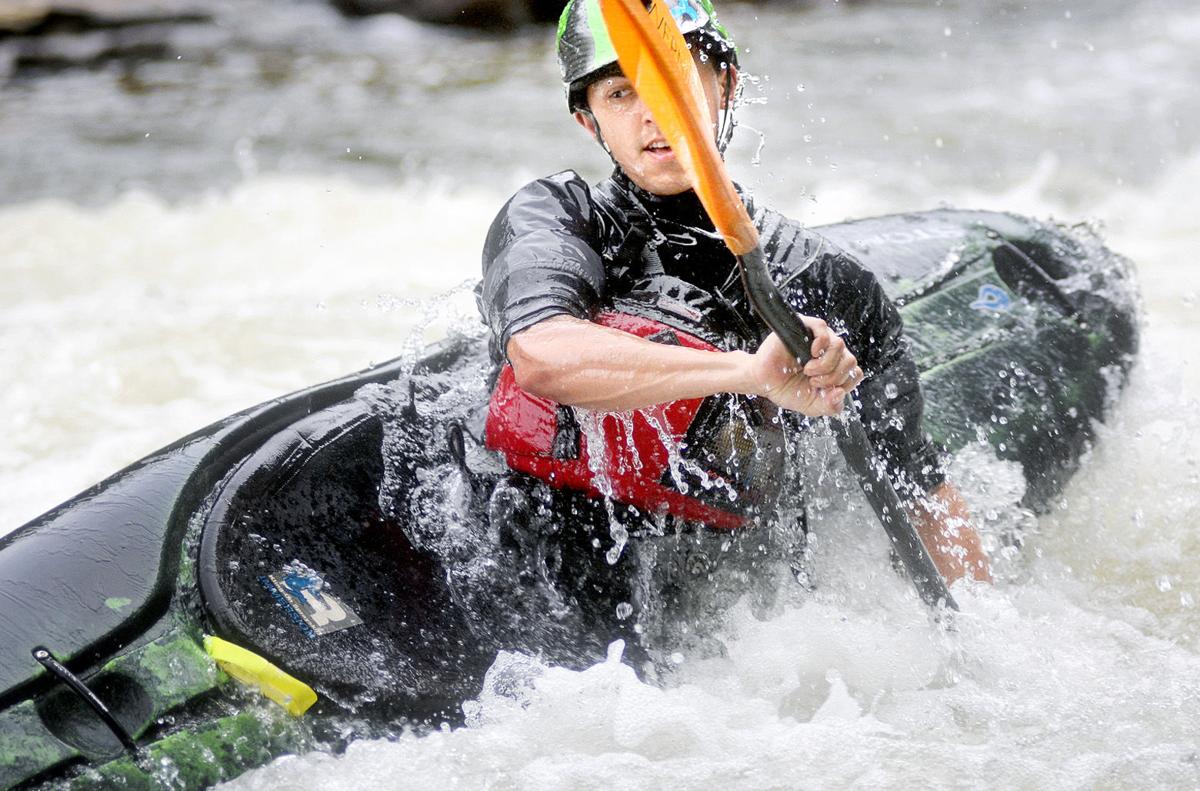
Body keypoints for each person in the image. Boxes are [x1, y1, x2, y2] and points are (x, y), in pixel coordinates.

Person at [473, 0, 990, 660]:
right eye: (622, 91)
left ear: (727, 85)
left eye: (676, 78)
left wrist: (976, 655)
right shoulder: (558, 222)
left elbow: (920, 491)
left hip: (737, 640)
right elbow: (541, 359)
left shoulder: (827, 282)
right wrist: (749, 375)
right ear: (587, 118)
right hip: (537, 596)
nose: (655, 111)